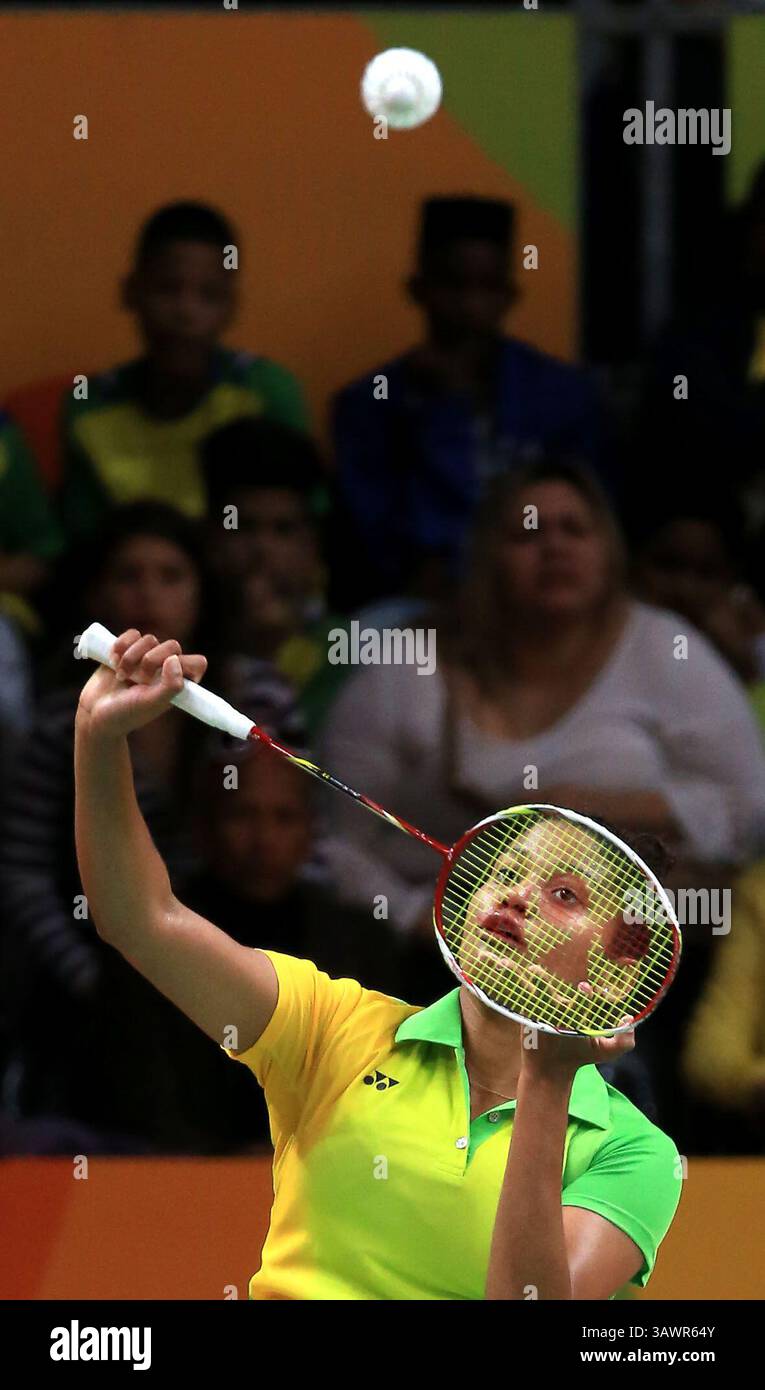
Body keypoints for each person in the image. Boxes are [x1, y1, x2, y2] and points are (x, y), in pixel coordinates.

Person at [73, 628, 682, 1300]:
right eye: (505, 871)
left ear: (624, 969)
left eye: (563, 894)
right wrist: (99, 740)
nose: (515, 894)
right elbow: (142, 920)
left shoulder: (630, 1153)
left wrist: (544, 1079)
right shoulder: (336, 1028)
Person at [320, 461, 765, 963]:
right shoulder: (409, 667)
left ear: (609, 552)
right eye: (528, 532)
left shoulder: (670, 652)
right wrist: (416, 918)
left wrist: (587, 807)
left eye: (575, 529)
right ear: (487, 557)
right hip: (423, 957)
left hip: (617, 967)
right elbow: (332, 841)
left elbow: (747, 807)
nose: (555, 546)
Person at [0, 502, 302, 1148]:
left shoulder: (257, 703)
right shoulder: (66, 723)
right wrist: (93, 980)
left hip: (239, 966)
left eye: (170, 576)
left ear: (201, 591)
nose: (149, 595)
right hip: (100, 977)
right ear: (98, 593)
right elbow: (22, 871)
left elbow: (301, 838)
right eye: (128, 576)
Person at [331, 196, 606, 608]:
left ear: (510, 295)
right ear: (418, 290)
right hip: (421, 606)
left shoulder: (565, 396)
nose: (470, 306)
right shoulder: (369, 405)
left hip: (545, 594)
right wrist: (440, 415)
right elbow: (377, 544)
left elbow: (593, 516)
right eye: (453, 285)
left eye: (487, 288)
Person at [59, 201, 308, 540]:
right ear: (131, 292)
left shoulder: (265, 390)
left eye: (209, 295)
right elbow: (84, 543)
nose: (186, 312)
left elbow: (300, 528)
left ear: (232, 307)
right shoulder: (89, 403)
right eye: (167, 290)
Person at [201, 417, 348, 738]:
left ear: (312, 545)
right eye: (244, 527)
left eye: (283, 529)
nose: (262, 549)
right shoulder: (181, 648)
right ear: (211, 539)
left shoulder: (351, 657)